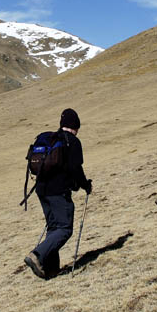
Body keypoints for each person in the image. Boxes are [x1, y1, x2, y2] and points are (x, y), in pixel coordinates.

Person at [24, 108, 92, 279]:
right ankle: (37, 255)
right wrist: (85, 185)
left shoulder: (52, 139)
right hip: (58, 191)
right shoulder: (72, 142)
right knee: (64, 229)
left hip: (41, 190)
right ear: (75, 126)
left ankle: (51, 270)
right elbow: (76, 168)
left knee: (54, 227)